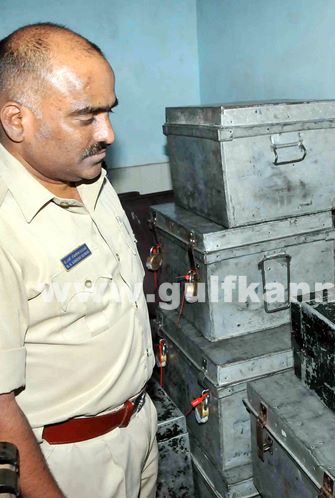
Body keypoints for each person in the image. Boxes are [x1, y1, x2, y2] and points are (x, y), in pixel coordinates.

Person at [0, 23, 157, 498]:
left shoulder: (89, 176)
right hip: (66, 465)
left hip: (139, 430)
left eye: (109, 112)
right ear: (16, 121)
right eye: (86, 117)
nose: (108, 134)